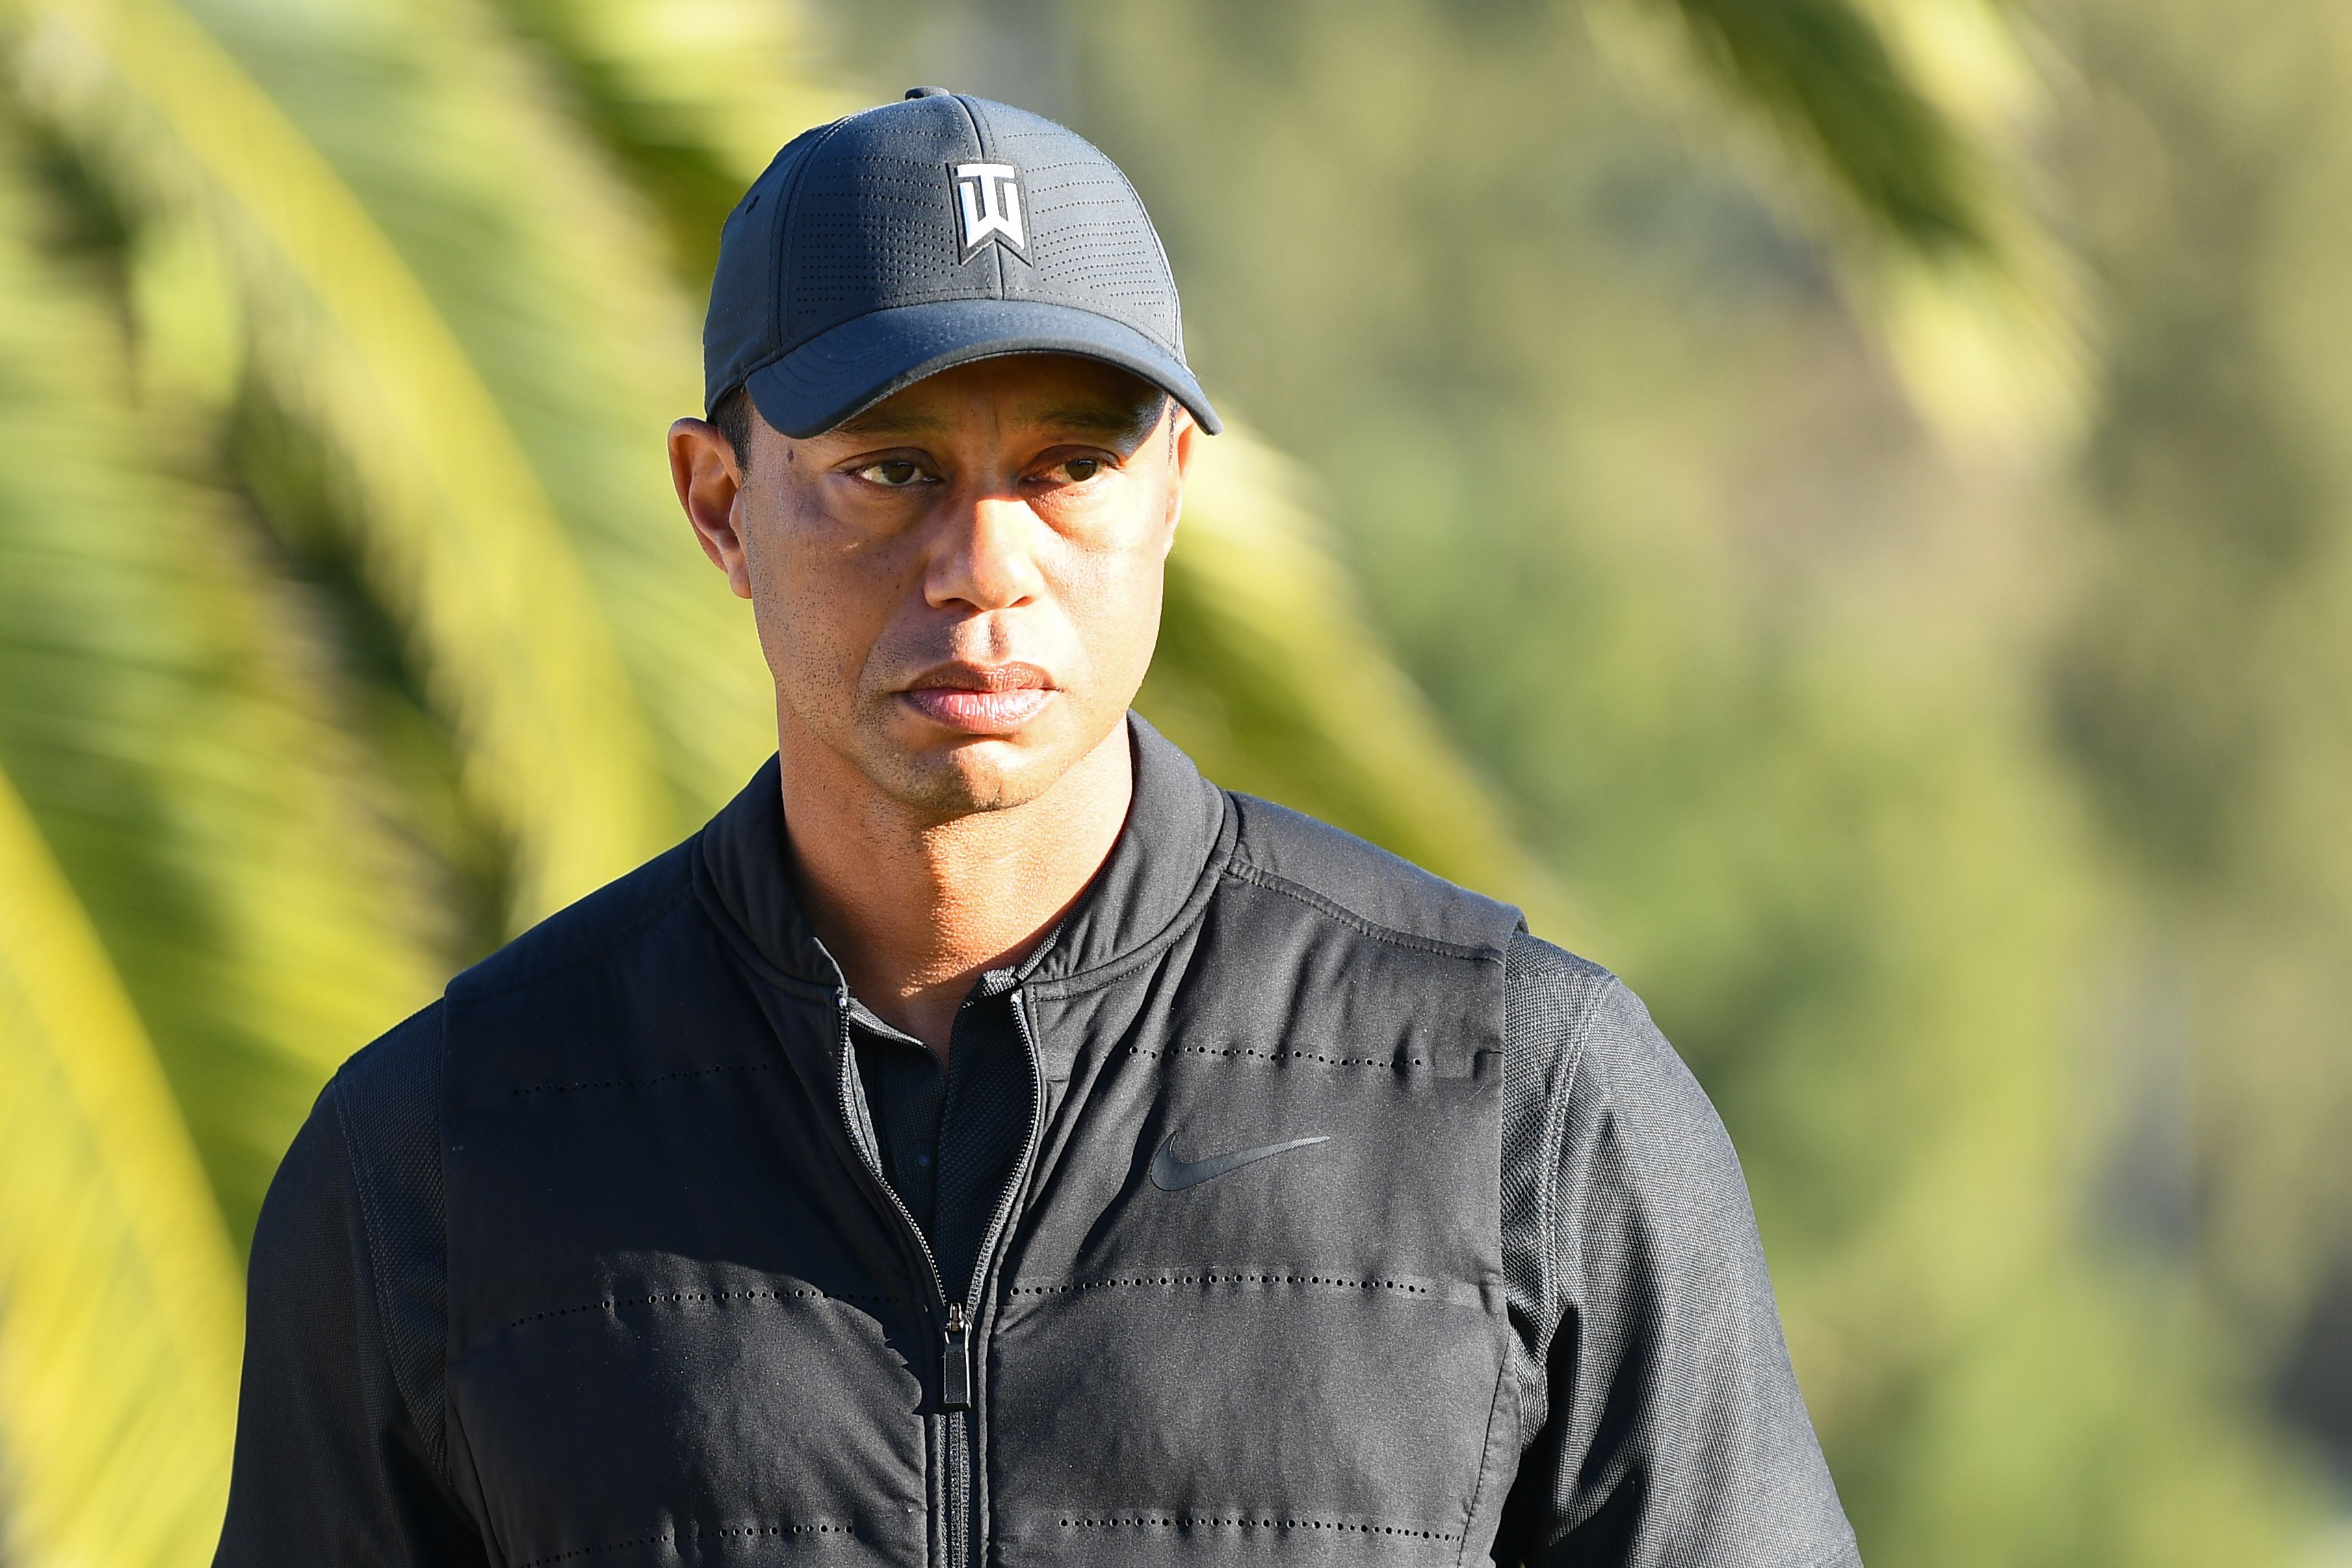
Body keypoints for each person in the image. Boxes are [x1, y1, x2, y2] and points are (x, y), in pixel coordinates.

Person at [214, 88, 1859, 1568]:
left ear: (1169, 499)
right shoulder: (439, 1154)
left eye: (1073, 464)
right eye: (891, 470)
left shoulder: (1524, 1101)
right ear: (719, 503)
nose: (986, 564)